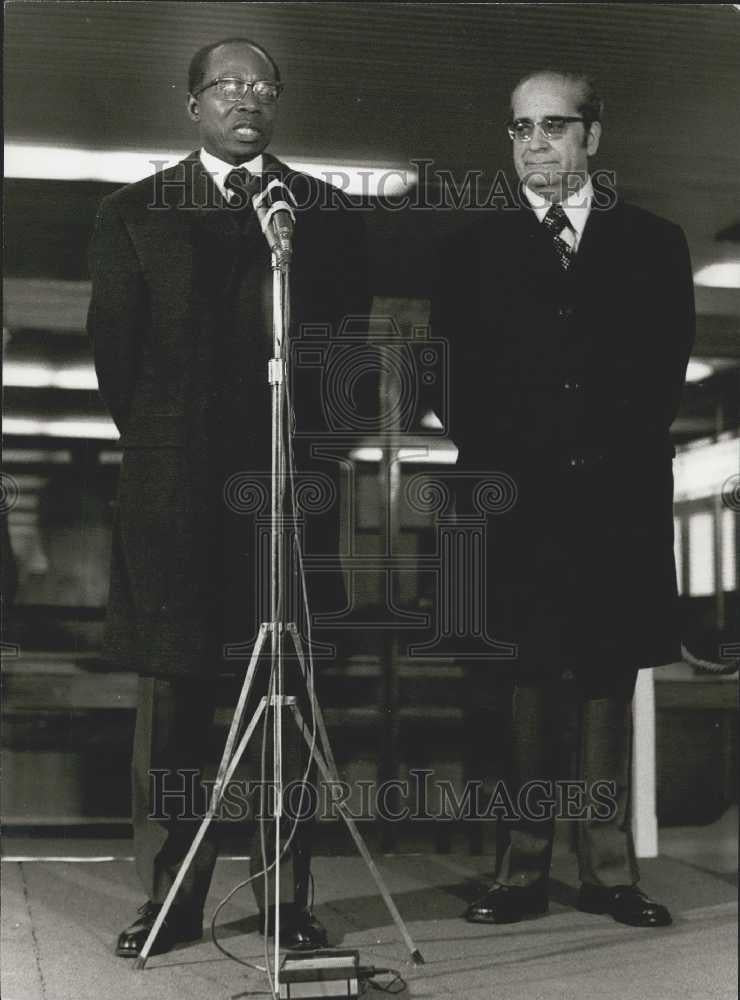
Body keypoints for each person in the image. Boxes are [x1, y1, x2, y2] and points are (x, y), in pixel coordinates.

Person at [87, 37, 368, 957]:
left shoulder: (322, 213)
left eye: (262, 85)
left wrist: (307, 457)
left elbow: (346, 358)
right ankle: (172, 897)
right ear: (193, 104)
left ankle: (287, 899)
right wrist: (182, 447)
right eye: (227, 85)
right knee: (178, 709)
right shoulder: (133, 213)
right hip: (176, 500)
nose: (246, 98)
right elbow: (119, 361)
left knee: (288, 698)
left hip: (287, 503)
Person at [432, 70, 694, 927]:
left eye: (553, 125)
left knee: (606, 684)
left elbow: (662, 374)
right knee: (527, 686)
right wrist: (520, 462)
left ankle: (610, 873)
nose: (534, 142)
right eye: (520, 128)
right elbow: (450, 380)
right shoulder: (472, 248)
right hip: (519, 504)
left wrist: (597, 457)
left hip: (618, 503)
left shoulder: (654, 242)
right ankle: (521, 871)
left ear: (592, 137)